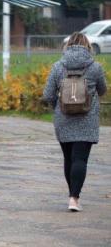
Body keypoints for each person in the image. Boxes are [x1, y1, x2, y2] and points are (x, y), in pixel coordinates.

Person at [43, 32, 106, 212]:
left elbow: (47, 95)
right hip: (87, 119)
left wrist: (58, 105)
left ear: (68, 45)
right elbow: (102, 90)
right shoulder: (95, 67)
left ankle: (72, 195)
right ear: (87, 46)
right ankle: (74, 198)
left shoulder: (57, 66)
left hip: (63, 119)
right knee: (80, 159)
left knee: (69, 159)